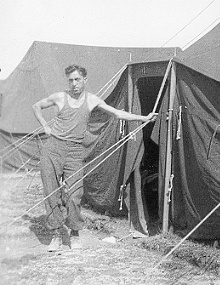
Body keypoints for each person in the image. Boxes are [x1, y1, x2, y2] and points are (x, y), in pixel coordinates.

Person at [32, 64, 157, 252]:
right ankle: (57, 233)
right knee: (51, 192)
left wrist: (144, 117)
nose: (74, 84)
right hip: (53, 148)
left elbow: (117, 113)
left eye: (77, 80)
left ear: (85, 80)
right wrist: (45, 126)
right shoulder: (60, 97)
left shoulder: (91, 100)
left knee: (74, 195)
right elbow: (37, 106)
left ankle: (74, 233)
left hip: (74, 151)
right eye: (70, 80)